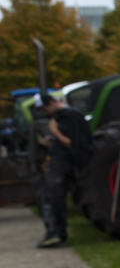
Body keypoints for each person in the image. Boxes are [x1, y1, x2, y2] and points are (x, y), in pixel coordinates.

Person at [34, 92, 92, 248]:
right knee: (48, 194)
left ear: (52, 103)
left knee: (50, 196)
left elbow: (74, 143)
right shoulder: (66, 116)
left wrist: (55, 132)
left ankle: (55, 232)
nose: (45, 112)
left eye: (45, 108)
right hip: (63, 162)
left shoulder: (68, 116)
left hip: (63, 163)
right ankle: (56, 232)